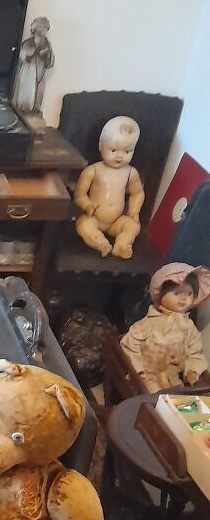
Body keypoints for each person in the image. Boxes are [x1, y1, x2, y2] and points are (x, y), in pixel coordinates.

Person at [121, 263, 210, 392]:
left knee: (177, 398)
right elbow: (130, 344)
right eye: (177, 293)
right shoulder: (150, 322)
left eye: (189, 293)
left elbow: (195, 352)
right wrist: (138, 370)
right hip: (147, 375)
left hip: (172, 376)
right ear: (160, 294)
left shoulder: (189, 327)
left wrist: (192, 370)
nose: (183, 298)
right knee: (154, 397)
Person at [74, 116, 144, 259]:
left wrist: (134, 211)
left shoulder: (130, 173)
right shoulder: (92, 171)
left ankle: (122, 245)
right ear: (101, 145)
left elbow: (137, 193)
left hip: (116, 222)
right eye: (113, 150)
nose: (120, 156)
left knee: (133, 226)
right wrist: (87, 205)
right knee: (83, 225)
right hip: (94, 218)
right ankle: (100, 243)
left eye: (127, 151)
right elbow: (79, 195)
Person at [14, 17, 54, 116]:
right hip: (28, 72)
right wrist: (35, 53)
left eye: (46, 28)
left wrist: (46, 55)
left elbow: (50, 62)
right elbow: (22, 57)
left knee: (39, 93)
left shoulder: (47, 44)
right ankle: (23, 110)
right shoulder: (28, 43)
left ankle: (35, 110)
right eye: (42, 28)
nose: (44, 31)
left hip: (40, 73)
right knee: (26, 92)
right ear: (36, 28)